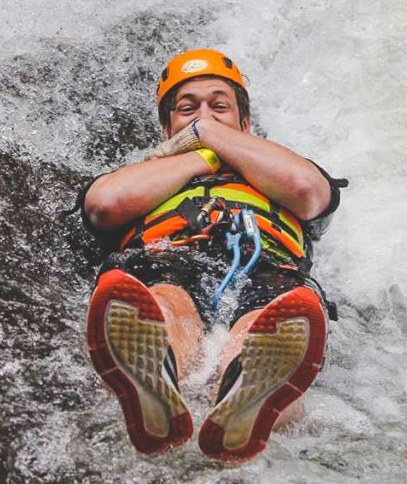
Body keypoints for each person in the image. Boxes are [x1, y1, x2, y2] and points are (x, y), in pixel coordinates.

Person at [78, 49, 346, 462]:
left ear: (245, 123)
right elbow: (105, 204)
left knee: (268, 324)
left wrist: (207, 133)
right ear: (167, 126)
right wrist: (200, 155)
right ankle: (156, 376)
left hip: (269, 269)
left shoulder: (281, 167)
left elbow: (307, 191)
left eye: (219, 106)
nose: (204, 115)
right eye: (189, 109)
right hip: (167, 258)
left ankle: (247, 390)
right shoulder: (145, 173)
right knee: (165, 305)